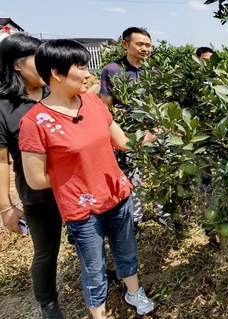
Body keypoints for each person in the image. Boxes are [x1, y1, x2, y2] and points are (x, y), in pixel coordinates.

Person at [19, 39, 155, 319]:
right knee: (93, 267)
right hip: (82, 208)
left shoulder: (93, 103)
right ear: (57, 73)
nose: (88, 73)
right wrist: (81, 176)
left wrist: (154, 137)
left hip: (117, 194)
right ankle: (98, 313)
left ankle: (133, 292)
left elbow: (122, 141)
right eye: (80, 67)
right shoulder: (35, 122)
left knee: (126, 251)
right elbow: (35, 179)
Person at [0, 33, 64, 319]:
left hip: (73, 183)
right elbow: (1, 161)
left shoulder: (56, 92)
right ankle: (47, 303)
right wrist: (6, 207)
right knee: (46, 249)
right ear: (16, 65)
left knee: (88, 235)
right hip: (37, 190)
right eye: (37, 60)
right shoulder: (4, 108)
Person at [99, 27, 158, 227]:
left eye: (148, 45)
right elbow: (106, 106)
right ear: (126, 44)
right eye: (140, 44)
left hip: (155, 132)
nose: (145, 49)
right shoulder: (112, 70)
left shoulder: (155, 70)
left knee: (161, 172)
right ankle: (135, 219)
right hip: (129, 134)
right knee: (135, 177)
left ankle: (165, 214)